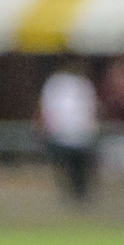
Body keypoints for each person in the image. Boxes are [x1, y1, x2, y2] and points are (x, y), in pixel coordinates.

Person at [37, 60, 98, 204]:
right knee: (67, 172)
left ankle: (79, 200)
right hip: (63, 136)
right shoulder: (58, 84)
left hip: (79, 137)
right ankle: (73, 199)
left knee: (79, 173)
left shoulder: (79, 84)